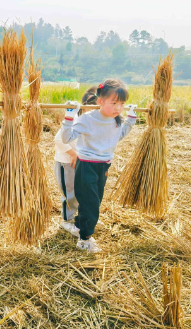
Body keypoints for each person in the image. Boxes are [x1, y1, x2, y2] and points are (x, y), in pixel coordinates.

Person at [61, 79, 137, 253]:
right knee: (91, 203)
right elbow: (67, 138)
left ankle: (81, 226)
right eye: (114, 103)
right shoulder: (87, 119)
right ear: (100, 101)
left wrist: (131, 119)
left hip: (103, 166)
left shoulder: (116, 120)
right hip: (86, 165)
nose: (118, 107)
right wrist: (69, 116)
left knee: (95, 200)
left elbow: (119, 135)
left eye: (122, 103)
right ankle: (85, 240)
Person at [54, 86, 98, 237]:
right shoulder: (76, 120)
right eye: (93, 109)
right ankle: (67, 220)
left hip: (82, 163)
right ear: (85, 108)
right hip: (67, 162)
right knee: (70, 193)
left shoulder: (94, 123)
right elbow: (58, 139)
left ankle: (80, 219)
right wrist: (73, 154)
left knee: (81, 192)